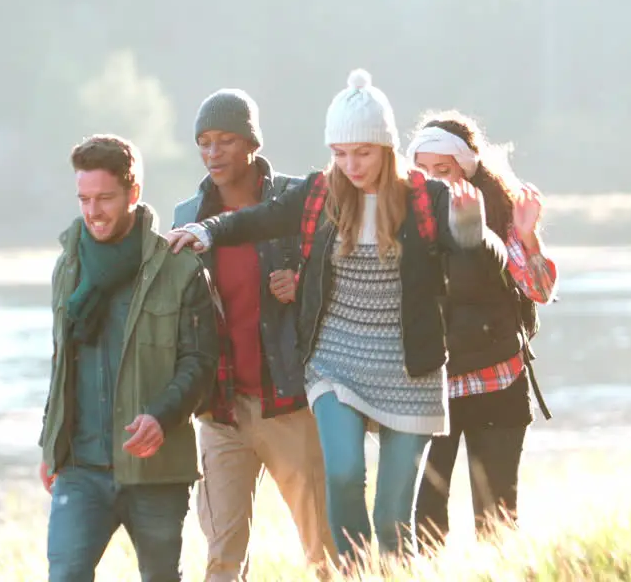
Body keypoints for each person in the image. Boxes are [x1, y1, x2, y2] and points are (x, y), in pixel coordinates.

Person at [167, 70, 507, 567]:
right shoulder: (319, 194)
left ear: (386, 147)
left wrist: (472, 229)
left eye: (362, 153)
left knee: (393, 517)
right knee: (344, 475)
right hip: (334, 361)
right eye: (340, 153)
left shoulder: (426, 198)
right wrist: (209, 230)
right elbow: (258, 218)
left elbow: (484, 270)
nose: (351, 165)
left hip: (409, 368)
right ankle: (354, 573)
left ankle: (390, 572)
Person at [38, 133, 219, 582]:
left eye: (104, 198)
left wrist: (161, 417)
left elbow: (200, 362)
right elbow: (62, 361)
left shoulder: (178, 267)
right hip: (79, 467)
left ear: (133, 193)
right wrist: (50, 443)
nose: (93, 211)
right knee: (63, 575)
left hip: (156, 470)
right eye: (84, 198)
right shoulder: (68, 267)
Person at [172, 89, 335, 580]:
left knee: (324, 547)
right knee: (222, 556)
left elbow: (341, 273)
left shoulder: (297, 201)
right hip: (221, 411)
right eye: (204, 142)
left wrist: (305, 284)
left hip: (290, 402)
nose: (213, 153)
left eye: (225, 141)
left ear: (251, 144)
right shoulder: (187, 217)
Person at [405, 112, 558, 544]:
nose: (433, 180)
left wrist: (528, 238)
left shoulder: (500, 215)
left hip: (498, 381)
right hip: (431, 389)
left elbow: (540, 290)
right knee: (425, 521)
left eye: (444, 170)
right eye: (422, 170)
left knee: (497, 521)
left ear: (466, 171)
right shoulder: (400, 221)